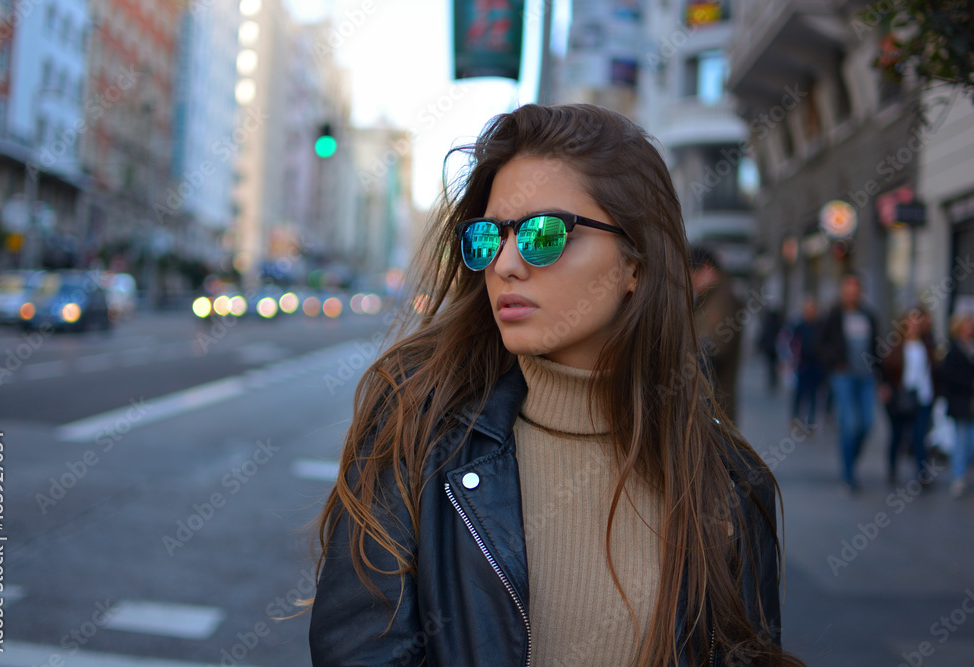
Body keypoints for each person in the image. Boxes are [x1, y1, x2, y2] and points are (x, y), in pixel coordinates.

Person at [306, 104, 805, 666]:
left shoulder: (730, 485)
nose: (506, 264)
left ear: (635, 262)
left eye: (544, 234)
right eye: (488, 237)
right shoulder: (414, 431)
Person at [817, 272, 881, 493]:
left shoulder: (868, 316)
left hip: (866, 377)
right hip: (843, 376)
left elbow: (876, 347)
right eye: (848, 288)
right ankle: (848, 473)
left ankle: (852, 459)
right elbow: (821, 344)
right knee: (850, 424)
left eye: (856, 288)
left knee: (866, 424)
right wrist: (836, 362)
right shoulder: (833, 317)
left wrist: (881, 378)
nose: (852, 292)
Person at [878, 307, 935, 487]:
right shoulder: (895, 346)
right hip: (900, 397)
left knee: (919, 436)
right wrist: (886, 387)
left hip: (923, 397)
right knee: (897, 435)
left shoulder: (928, 345)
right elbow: (884, 369)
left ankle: (921, 473)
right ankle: (892, 469)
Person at [690, 244, 743, 423]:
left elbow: (712, 347)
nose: (692, 282)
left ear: (706, 268)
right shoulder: (710, 298)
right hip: (708, 408)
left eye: (693, 275)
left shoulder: (723, 299)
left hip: (713, 410)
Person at [938, 312, 974, 498]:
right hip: (961, 403)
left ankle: (963, 473)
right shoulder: (953, 350)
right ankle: (958, 476)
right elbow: (949, 376)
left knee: (970, 442)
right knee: (961, 441)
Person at [790, 296, 824, 430]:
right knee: (799, 393)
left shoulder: (820, 326)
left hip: (816, 364)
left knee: (814, 394)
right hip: (802, 364)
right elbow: (792, 343)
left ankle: (810, 421)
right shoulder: (799, 326)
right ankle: (796, 417)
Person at [758, 305, 784, 393]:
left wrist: (761, 345)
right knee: (774, 366)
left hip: (769, 348)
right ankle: (774, 380)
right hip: (775, 348)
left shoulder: (768, 324)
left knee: (770, 366)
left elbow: (764, 335)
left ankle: (772, 380)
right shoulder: (779, 324)